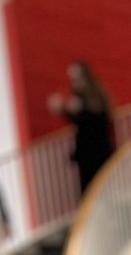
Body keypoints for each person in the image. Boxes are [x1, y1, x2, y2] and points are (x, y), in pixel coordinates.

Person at [47, 61, 114, 195]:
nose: (74, 83)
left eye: (77, 79)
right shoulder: (79, 99)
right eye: (72, 80)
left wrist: (65, 111)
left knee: (101, 193)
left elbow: (91, 123)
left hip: (99, 154)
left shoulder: (94, 98)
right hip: (87, 158)